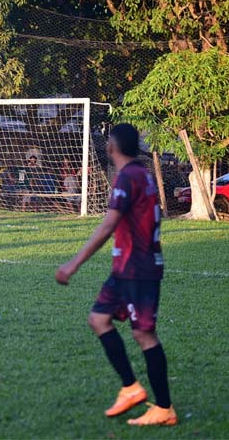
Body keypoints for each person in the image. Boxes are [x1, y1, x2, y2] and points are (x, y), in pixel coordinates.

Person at [55, 123, 176, 427]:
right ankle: (131, 388)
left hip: (138, 267)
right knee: (98, 319)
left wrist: (73, 264)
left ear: (112, 147)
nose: (106, 146)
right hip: (127, 268)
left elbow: (108, 225)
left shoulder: (129, 177)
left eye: (108, 142)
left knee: (144, 334)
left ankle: (164, 408)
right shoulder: (142, 174)